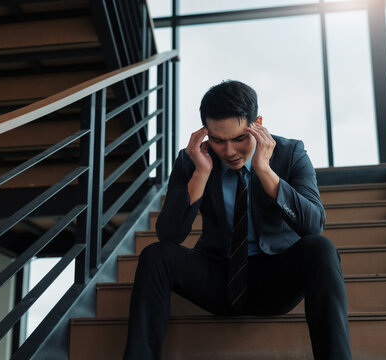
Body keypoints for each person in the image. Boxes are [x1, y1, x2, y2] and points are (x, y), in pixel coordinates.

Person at [123, 80, 351, 359]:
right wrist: (201, 174)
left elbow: (313, 225)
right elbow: (170, 235)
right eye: (218, 140)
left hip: (276, 279)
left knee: (321, 249)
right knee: (156, 255)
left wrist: (265, 172)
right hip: (219, 276)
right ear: (206, 133)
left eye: (239, 138)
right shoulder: (192, 160)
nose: (229, 151)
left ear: (258, 124)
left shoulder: (291, 153)